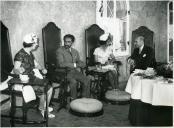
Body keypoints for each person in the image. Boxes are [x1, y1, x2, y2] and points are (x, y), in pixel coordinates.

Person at [13, 33, 55, 118]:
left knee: (48, 87)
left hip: (32, 77)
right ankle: (43, 109)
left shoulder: (30, 53)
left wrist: (42, 68)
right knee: (47, 89)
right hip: (24, 80)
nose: (37, 45)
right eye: (36, 43)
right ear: (31, 44)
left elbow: (36, 64)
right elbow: (15, 70)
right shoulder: (20, 55)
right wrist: (19, 70)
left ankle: (42, 107)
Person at [56, 34, 90, 100]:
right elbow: (61, 64)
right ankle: (73, 99)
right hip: (64, 72)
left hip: (74, 71)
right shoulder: (59, 51)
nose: (66, 43)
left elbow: (78, 61)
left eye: (69, 42)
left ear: (72, 42)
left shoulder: (75, 51)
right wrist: (75, 65)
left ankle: (84, 99)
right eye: (65, 41)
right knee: (74, 82)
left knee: (86, 80)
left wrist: (83, 64)